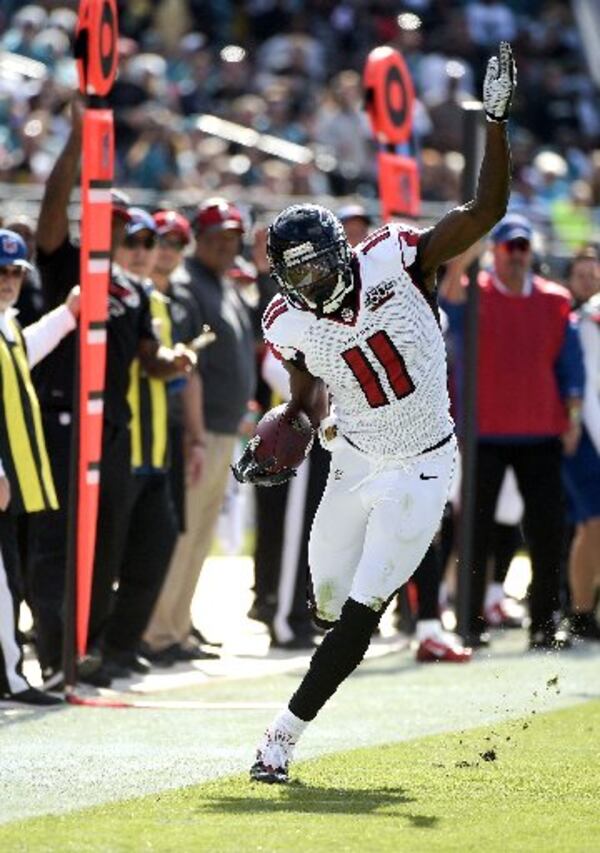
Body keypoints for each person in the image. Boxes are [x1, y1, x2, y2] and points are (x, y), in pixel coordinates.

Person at [233, 43, 516, 783]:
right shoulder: (285, 322)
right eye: (299, 276)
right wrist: (280, 436)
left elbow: (486, 209)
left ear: (341, 251)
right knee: (323, 597)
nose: (315, 282)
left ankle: (279, 739)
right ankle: (332, 637)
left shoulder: (398, 257)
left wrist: (492, 121)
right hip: (351, 454)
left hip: (422, 462)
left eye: (321, 265)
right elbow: (304, 400)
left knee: (358, 610)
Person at [26, 101, 195, 690]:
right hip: (64, 423)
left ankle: (89, 646)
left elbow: (148, 354)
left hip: (115, 429)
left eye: (133, 231)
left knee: (105, 547)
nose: (126, 237)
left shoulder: (130, 288)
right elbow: (50, 214)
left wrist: (172, 360)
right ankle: (52, 654)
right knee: (57, 545)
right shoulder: (69, 266)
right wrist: (76, 142)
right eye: (118, 226)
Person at [444, 211, 585, 651]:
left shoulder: (554, 300)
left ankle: (544, 622)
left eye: (524, 248)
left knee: (546, 532)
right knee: (475, 531)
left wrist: (573, 416)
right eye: (510, 247)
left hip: (541, 430)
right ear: (496, 252)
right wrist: (466, 255)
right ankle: (468, 621)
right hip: (486, 432)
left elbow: (569, 364)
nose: (518, 256)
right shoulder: (475, 294)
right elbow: (448, 298)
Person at [143, 197, 256, 656]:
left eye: (233, 237)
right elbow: (189, 368)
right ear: (199, 239)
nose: (228, 245)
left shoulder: (223, 285)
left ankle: (179, 623)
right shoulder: (189, 286)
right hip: (200, 429)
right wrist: (191, 434)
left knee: (201, 534)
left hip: (223, 428)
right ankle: (158, 631)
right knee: (184, 533)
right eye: (218, 237)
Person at [0, 229, 78, 705]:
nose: (9, 281)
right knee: (5, 581)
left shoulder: (6, 322)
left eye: (15, 272)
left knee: (10, 575)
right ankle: (9, 676)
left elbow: (21, 353)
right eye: (1, 272)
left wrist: (67, 317)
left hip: (15, 472)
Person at [562, 247, 600, 640]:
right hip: (585, 436)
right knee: (593, 525)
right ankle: (580, 610)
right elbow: (586, 392)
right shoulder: (586, 319)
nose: (590, 280)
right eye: (583, 273)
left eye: (595, 273)